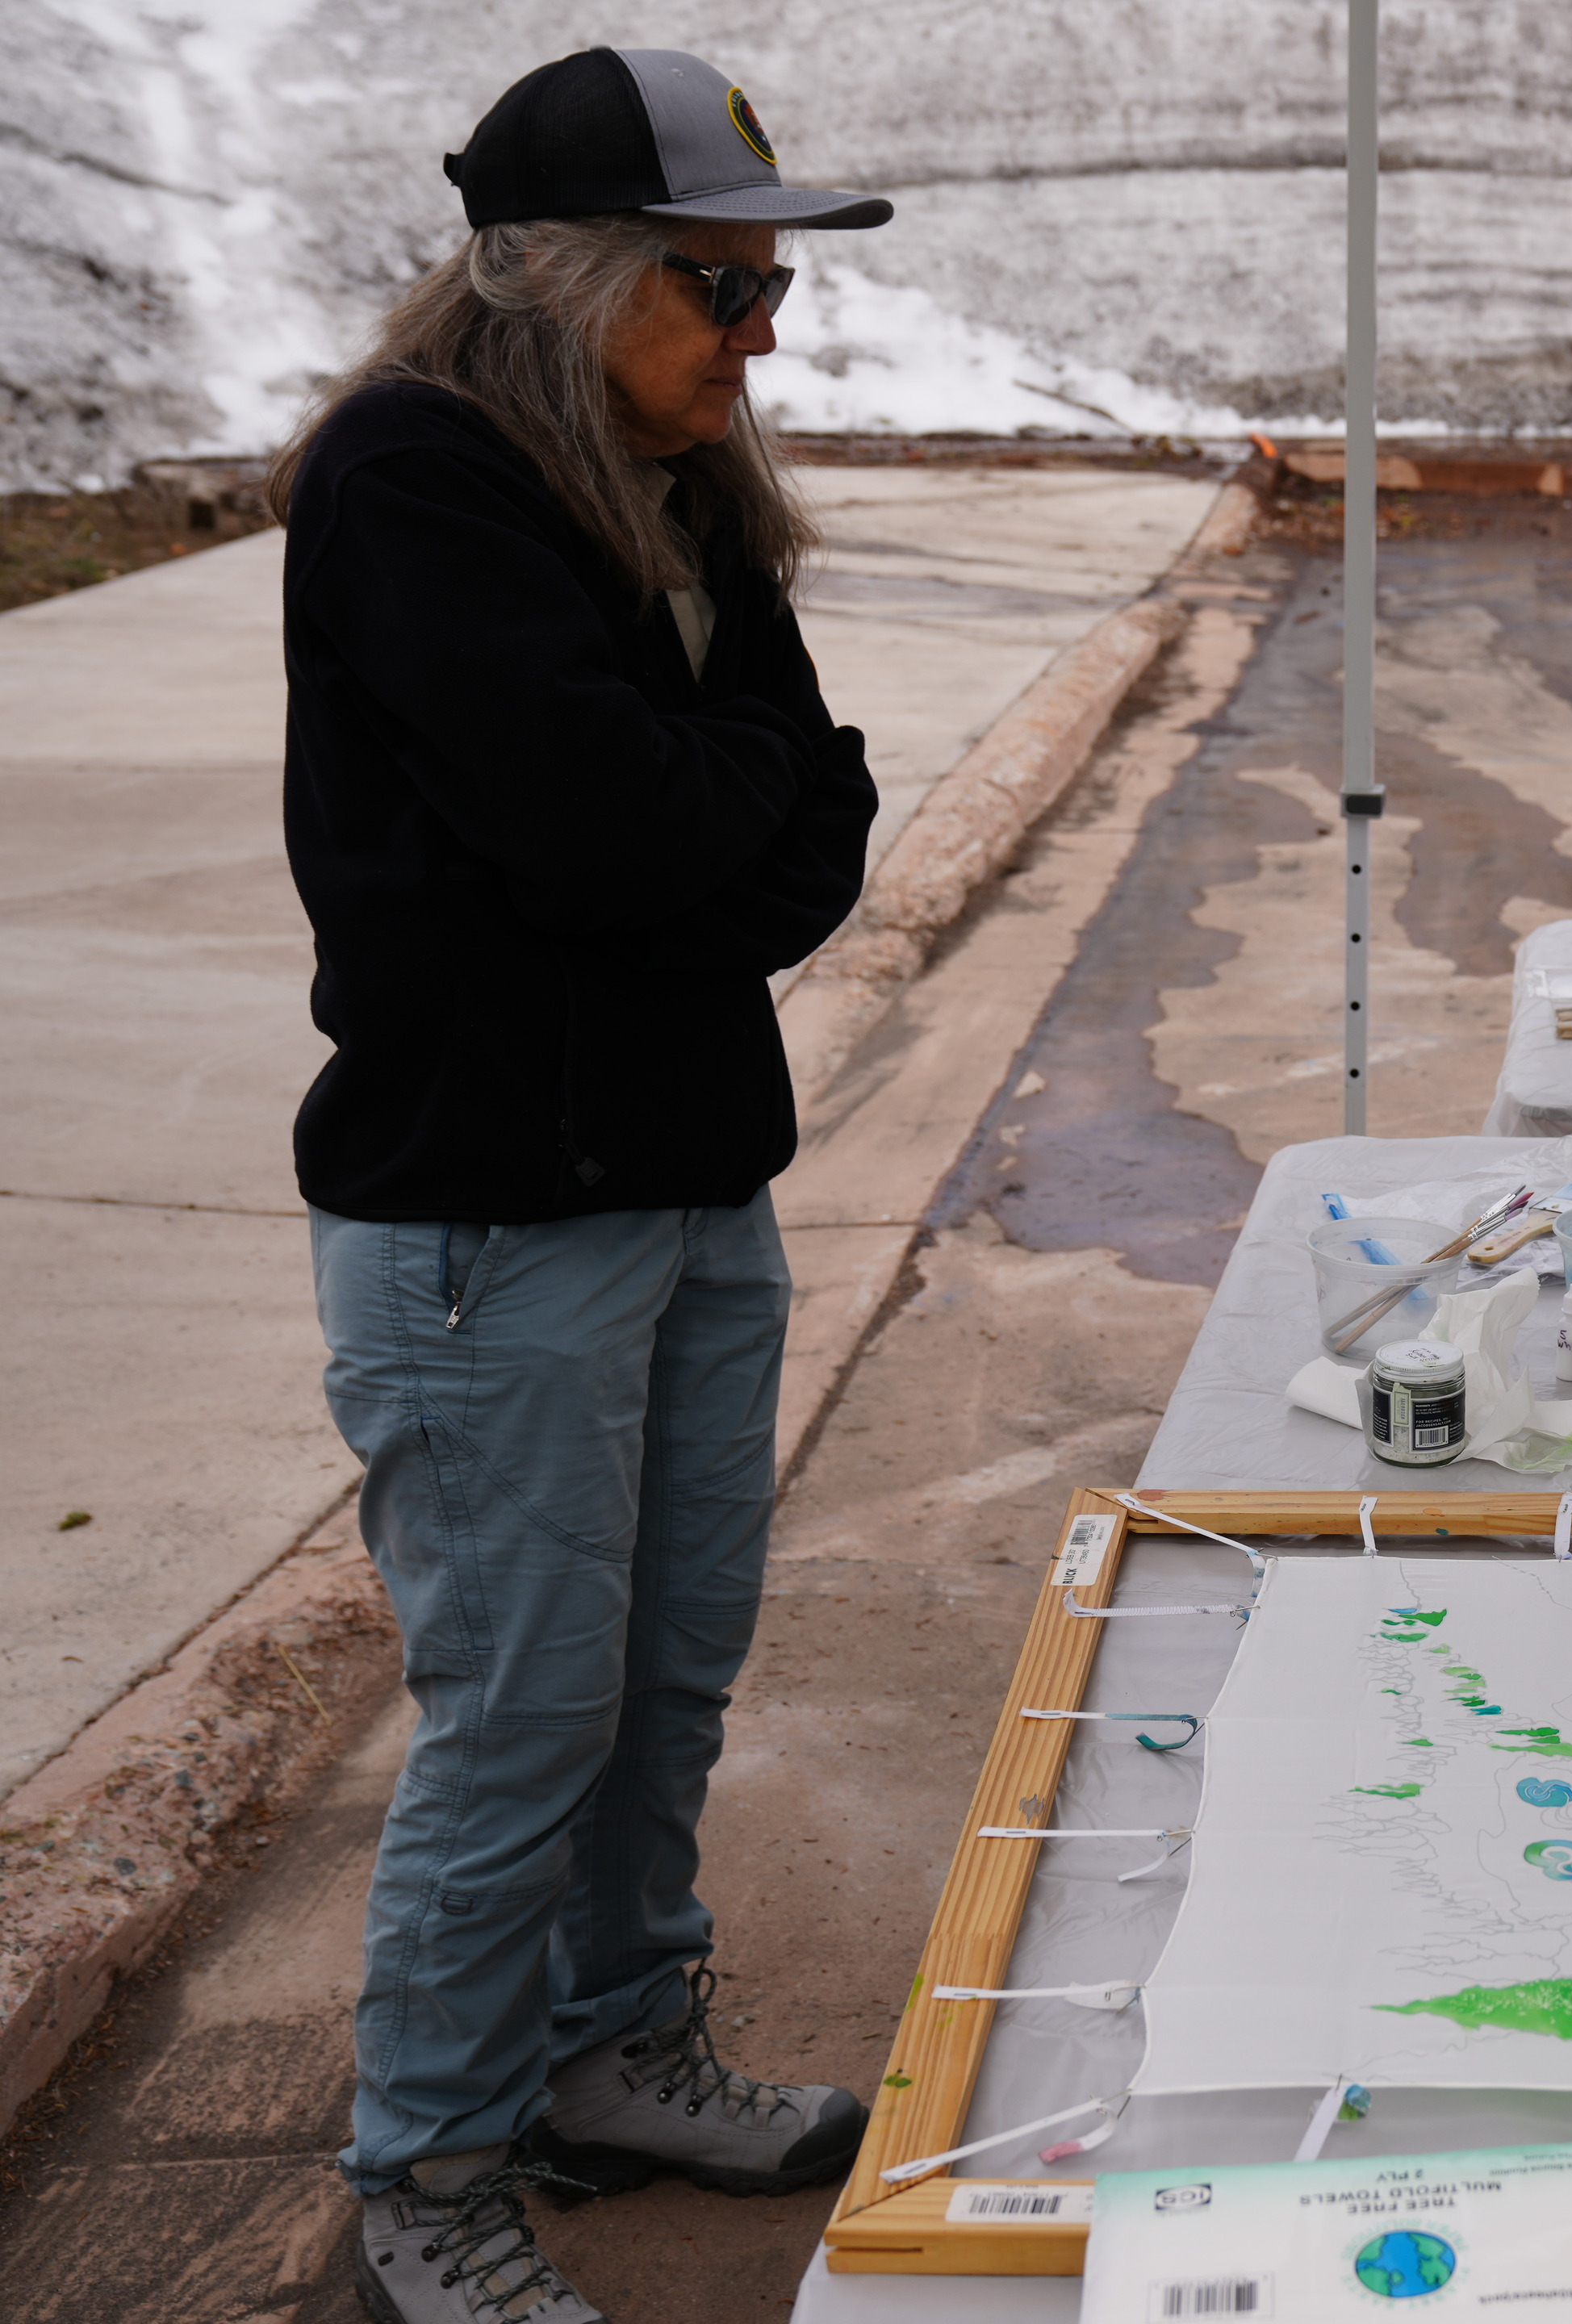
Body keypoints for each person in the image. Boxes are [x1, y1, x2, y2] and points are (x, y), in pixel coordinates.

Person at [269, 48, 890, 2324]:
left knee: (664, 1679)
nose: (756, 343)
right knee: (523, 1711)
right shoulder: (415, 488)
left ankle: (611, 2050)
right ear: (573, 282)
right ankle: (428, 2177)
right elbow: (628, 830)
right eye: (719, 292)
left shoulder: (685, 481)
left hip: (692, 1184)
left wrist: (701, 821)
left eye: (767, 297)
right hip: (488, 1228)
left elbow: (802, 835)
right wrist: (707, 821)